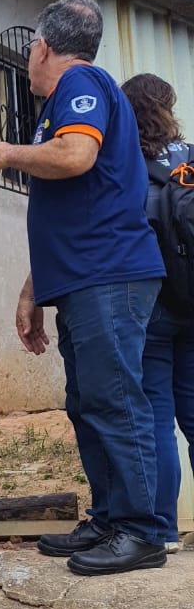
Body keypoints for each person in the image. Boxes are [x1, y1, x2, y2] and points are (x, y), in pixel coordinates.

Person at [0, 0, 168, 575]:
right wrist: (33, 290)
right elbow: (73, 209)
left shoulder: (80, 82)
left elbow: (76, 155)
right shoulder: (71, 98)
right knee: (89, 403)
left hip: (109, 275)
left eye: (29, 54)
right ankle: (111, 520)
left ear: (41, 47)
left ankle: (141, 531)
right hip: (85, 276)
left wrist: (8, 153)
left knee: (115, 400)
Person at [122, 72, 194, 550]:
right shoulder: (191, 159)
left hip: (152, 308)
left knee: (157, 421)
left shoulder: (125, 163)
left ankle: (164, 529)